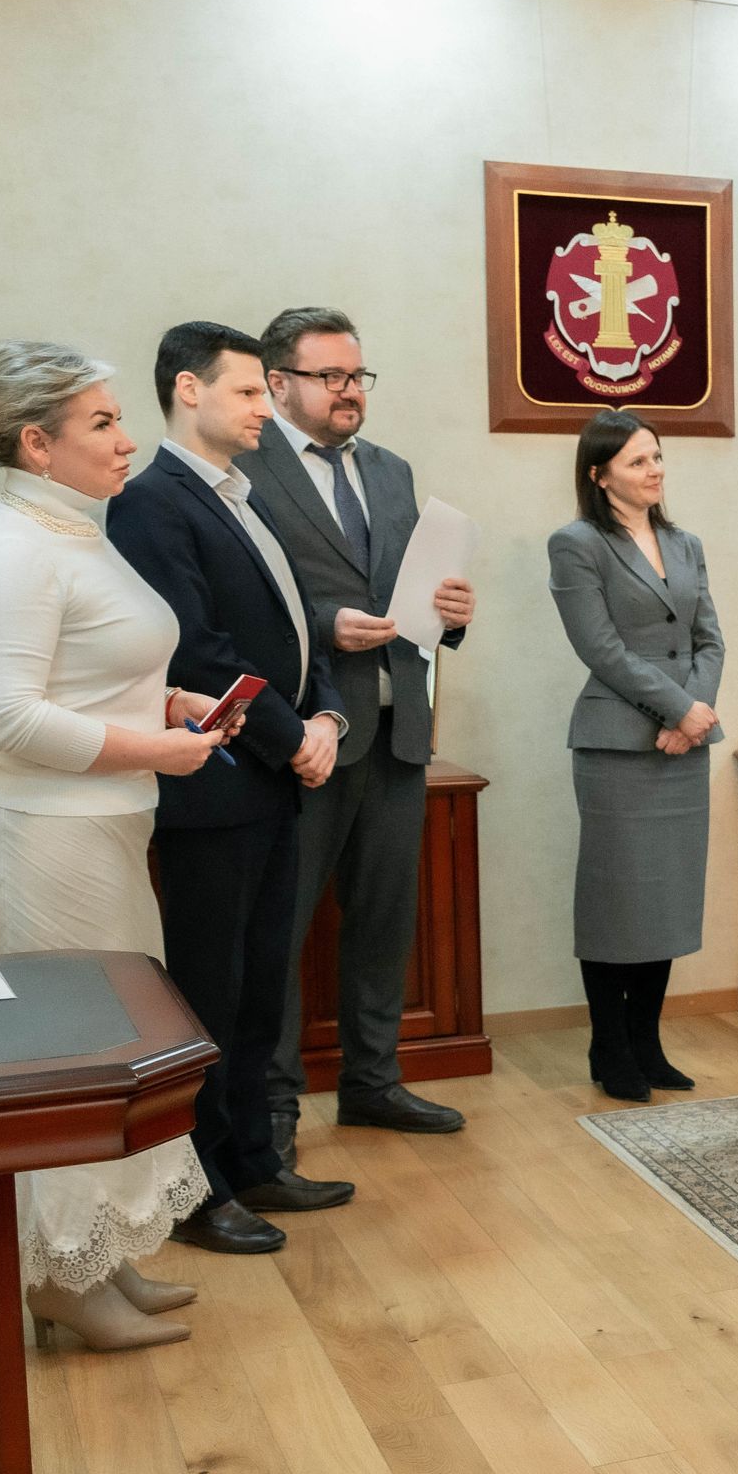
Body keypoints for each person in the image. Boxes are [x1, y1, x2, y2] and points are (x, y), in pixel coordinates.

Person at [0, 340, 241, 1349]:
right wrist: (157, 748)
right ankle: (59, 1279)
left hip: (98, 827)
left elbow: (88, 676)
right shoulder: (14, 548)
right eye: (103, 423)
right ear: (38, 444)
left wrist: (173, 703)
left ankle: (99, 1252)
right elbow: (7, 715)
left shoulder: (75, 527)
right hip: (37, 836)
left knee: (114, 1056)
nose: (126, 440)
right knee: (67, 1060)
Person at [107, 322, 355, 1251]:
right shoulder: (152, 503)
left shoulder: (243, 495)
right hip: (213, 788)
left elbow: (297, 631)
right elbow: (198, 649)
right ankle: (199, 1187)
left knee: (260, 988)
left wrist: (326, 717)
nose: (265, 408)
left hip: (274, 781)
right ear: (188, 389)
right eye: (249, 392)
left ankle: (254, 1159)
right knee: (208, 993)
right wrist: (293, 742)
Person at [237, 306, 471, 1162]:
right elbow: (241, 602)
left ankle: (373, 1082)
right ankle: (273, 1109)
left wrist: (451, 614)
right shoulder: (244, 468)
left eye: (357, 376)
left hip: (399, 729)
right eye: (330, 376)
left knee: (383, 921)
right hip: (303, 737)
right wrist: (323, 626)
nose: (349, 391)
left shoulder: (390, 469)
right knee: (282, 930)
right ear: (278, 383)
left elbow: (408, 590)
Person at [546, 410, 725, 1102]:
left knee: (666, 899)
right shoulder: (577, 544)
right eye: (638, 461)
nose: (655, 470)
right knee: (616, 899)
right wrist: (677, 708)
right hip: (617, 744)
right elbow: (600, 649)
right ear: (600, 475)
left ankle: (647, 1043)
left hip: (684, 744)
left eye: (657, 456)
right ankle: (609, 1044)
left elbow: (710, 640)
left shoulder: (685, 543)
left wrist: (693, 713)